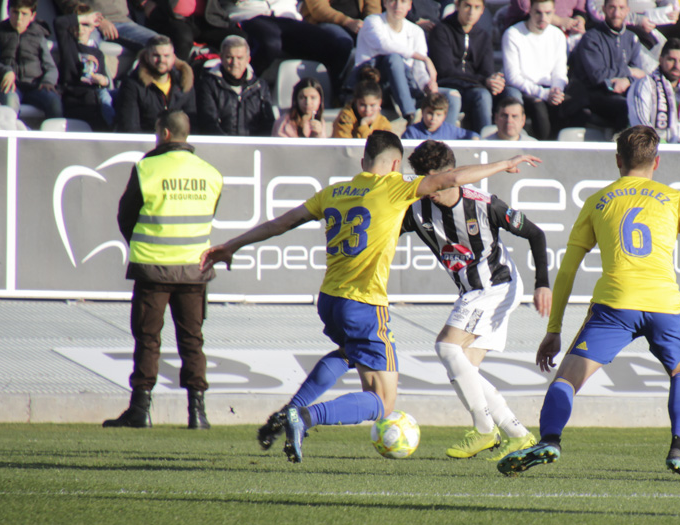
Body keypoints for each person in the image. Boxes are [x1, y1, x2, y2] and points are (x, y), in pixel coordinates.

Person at [200, 131, 541, 463]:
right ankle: (304, 417)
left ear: (363, 160)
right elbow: (449, 179)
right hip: (365, 303)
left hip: (330, 300)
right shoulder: (394, 189)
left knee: (349, 353)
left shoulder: (334, 192)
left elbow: (281, 223)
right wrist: (506, 161)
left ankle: (290, 410)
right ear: (396, 165)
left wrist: (231, 245)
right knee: (383, 400)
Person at [497, 125, 680, 480]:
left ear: (618, 160)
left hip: (614, 306)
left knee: (566, 379)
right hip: (664, 306)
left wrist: (553, 329)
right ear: (656, 162)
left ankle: (550, 440)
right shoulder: (674, 199)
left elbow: (568, 269)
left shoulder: (597, 201)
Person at [403, 141, 550, 458]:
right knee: (465, 368)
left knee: (446, 346)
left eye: (435, 181)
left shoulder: (485, 205)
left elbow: (536, 234)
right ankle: (519, 435)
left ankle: (484, 430)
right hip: (473, 292)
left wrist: (543, 284)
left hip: (497, 286)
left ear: (452, 175)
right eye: (423, 181)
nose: (430, 190)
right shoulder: (417, 210)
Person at [104, 110, 224, 430]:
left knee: (147, 338)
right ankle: (197, 413)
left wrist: (143, 244)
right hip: (194, 270)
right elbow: (208, 214)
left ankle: (140, 410)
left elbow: (125, 215)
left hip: (154, 270)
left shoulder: (146, 167)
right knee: (192, 340)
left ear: (165, 134)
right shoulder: (211, 173)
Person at [211, 0, 352, 92]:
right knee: (271, 44)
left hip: (286, 16)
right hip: (251, 15)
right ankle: (246, 86)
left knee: (337, 45)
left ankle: (330, 95)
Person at [585, 0, 680, 85]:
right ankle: (657, 84)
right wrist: (636, 20)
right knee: (640, 37)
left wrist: (673, 10)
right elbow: (597, 12)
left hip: (655, 18)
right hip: (626, 22)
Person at [567, 0, 646, 133]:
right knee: (626, 107)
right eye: (612, 8)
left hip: (623, 92)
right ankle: (620, 148)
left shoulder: (632, 38)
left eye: (621, 8)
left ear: (627, 10)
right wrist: (628, 72)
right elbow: (598, 76)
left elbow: (640, 75)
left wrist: (627, 81)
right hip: (592, 95)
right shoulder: (591, 38)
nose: (616, 13)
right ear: (603, 9)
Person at [353, 0, 437, 123]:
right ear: (385, 3)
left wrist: (427, 85)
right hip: (372, 83)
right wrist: (423, 58)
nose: (398, 6)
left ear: (409, 5)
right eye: (393, 1)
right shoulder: (372, 22)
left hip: (402, 85)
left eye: (403, 1)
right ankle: (410, 115)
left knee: (447, 96)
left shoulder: (416, 31)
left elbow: (419, 70)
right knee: (394, 59)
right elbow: (384, 45)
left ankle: (417, 109)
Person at [428, 0, 503, 133]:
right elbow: (446, 71)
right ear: (457, 6)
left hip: (473, 89)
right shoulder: (441, 30)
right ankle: (480, 142)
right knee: (482, 95)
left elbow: (487, 71)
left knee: (510, 94)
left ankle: (487, 141)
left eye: (476, 7)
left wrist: (495, 80)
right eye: (467, 6)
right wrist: (483, 81)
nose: (471, 12)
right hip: (449, 86)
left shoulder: (483, 36)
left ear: (482, 10)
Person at [501, 0, 569, 141]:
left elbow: (559, 71)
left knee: (575, 105)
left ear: (554, 13)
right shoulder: (513, 34)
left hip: (550, 89)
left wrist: (557, 90)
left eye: (548, 13)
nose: (543, 18)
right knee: (539, 109)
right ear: (530, 11)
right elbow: (513, 78)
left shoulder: (558, 35)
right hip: (525, 90)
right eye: (538, 12)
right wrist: (543, 94)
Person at [0, 0, 63, 119]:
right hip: (9, 86)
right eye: (15, 12)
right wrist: (5, 71)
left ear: (32, 16)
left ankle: (53, 138)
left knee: (54, 102)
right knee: (11, 102)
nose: (19, 18)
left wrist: (48, 81)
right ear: (8, 11)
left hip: (35, 87)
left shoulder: (39, 35)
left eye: (24, 14)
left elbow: (50, 66)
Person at [196, 35, 274, 136]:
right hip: (221, 147)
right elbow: (208, 123)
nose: (234, 63)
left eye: (239, 58)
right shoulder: (208, 84)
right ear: (221, 57)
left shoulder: (260, 87)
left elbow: (268, 124)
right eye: (229, 57)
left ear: (248, 59)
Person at [116, 35, 195, 133]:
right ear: (147, 57)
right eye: (156, 55)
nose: (162, 60)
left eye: (166, 56)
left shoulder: (184, 82)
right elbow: (130, 127)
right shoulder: (132, 85)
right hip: (146, 144)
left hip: (177, 144)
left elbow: (192, 125)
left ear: (173, 57)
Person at [626, 38, 680, 144]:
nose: (676, 65)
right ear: (661, 59)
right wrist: (663, 147)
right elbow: (640, 124)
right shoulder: (644, 85)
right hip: (649, 154)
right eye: (671, 59)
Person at [54, 6, 114, 129]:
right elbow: (58, 23)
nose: (80, 29)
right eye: (78, 24)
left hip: (94, 100)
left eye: (86, 25)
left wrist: (103, 80)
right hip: (74, 97)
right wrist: (85, 18)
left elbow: (105, 81)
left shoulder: (97, 53)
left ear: (93, 27)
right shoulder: (68, 44)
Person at [54, 0, 159, 53]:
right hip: (88, 22)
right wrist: (99, 20)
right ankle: (101, 92)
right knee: (87, 51)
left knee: (161, 44)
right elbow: (67, 2)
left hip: (122, 21)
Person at [332, 67, 394, 138]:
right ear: (355, 102)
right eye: (363, 105)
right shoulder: (345, 118)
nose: (367, 110)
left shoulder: (383, 123)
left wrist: (364, 126)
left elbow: (381, 147)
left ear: (380, 102)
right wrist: (363, 126)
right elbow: (345, 146)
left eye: (372, 105)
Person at [402, 91, 478, 140]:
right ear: (422, 112)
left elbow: (472, 135)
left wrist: (474, 138)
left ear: (445, 115)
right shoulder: (412, 132)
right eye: (430, 113)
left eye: (438, 115)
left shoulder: (450, 130)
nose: (433, 118)